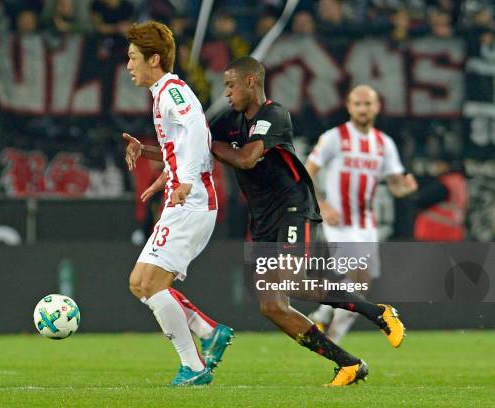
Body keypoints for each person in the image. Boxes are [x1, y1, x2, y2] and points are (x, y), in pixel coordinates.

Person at [208, 56, 405, 386]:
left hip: (292, 208)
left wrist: (209, 144)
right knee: (271, 306)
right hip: (263, 220)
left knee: (294, 282)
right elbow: (190, 147)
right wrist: (147, 149)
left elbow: (247, 157)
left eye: (230, 84)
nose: (226, 92)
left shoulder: (275, 113)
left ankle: (379, 312)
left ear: (251, 82)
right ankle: (349, 364)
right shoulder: (228, 122)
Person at [122, 21, 233, 386]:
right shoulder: (162, 93)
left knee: (149, 284)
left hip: (192, 200)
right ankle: (206, 331)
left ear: (154, 59)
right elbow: (181, 143)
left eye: (133, 58)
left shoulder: (172, 91)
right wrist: (162, 170)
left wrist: (183, 178)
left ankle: (195, 365)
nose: (128, 65)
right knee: (141, 283)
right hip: (184, 198)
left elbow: (199, 131)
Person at [305, 85, 418, 344]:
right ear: (349, 106)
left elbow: (396, 186)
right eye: (358, 104)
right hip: (338, 220)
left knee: (361, 284)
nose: (363, 109)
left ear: (377, 107)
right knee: (356, 273)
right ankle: (324, 320)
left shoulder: (383, 143)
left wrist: (407, 188)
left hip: (366, 223)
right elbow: (306, 172)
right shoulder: (334, 137)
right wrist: (322, 205)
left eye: (368, 104)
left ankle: (329, 330)